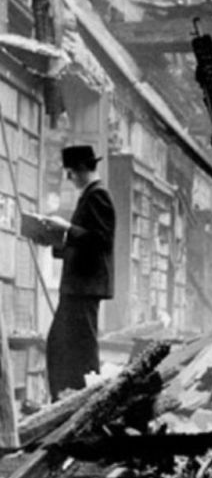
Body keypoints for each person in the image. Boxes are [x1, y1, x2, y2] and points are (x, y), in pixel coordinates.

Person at [43, 145, 115, 401]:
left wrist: (66, 228)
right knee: (63, 345)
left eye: (70, 173)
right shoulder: (90, 195)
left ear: (82, 168)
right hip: (79, 287)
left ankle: (86, 399)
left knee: (79, 347)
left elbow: (101, 240)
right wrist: (54, 240)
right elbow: (86, 243)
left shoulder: (98, 196)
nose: (69, 178)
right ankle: (67, 397)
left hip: (84, 287)